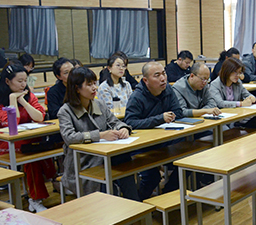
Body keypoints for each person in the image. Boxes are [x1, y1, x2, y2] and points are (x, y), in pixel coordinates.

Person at [58, 67, 139, 200]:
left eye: (94, 83)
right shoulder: (65, 111)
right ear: (77, 88)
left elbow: (114, 121)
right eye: (89, 85)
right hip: (84, 160)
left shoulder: (99, 104)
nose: (94, 88)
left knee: (124, 161)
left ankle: (134, 204)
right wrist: (100, 135)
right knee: (108, 173)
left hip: (104, 153)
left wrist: (124, 128)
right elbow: (69, 137)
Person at [0, 63, 56, 212]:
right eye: (19, 81)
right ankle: (36, 198)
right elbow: (11, 123)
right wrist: (12, 100)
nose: (23, 84)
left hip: (25, 138)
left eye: (25, 80)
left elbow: (39, 117)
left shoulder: (27, 95)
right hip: (0, 143)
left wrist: (23, 100)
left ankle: (40, 192)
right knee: (31, 153)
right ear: (7, 81)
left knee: (40, 148)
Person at [124, 61, 184, 200]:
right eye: (157, 75)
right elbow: (130, 122)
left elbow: (178, 112)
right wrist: (160, 119)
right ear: (145, 80)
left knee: (186, 160)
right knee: (152, 177)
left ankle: (168, 192)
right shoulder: (137, 97)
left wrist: (168, 117)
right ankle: (139, 203)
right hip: (142, 146)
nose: (163, 78)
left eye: (164, 73)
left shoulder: (168, 89)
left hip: (163, 140)